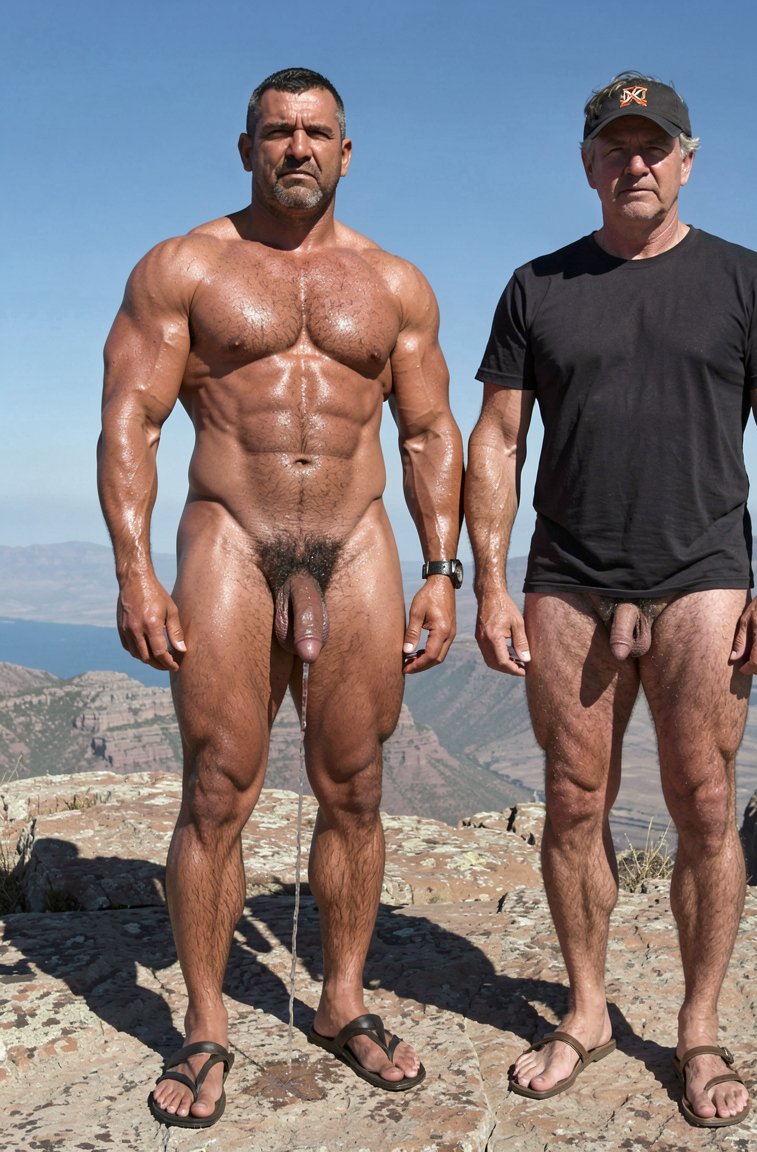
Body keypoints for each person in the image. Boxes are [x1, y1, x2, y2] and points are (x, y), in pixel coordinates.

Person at [98, 67, 463, 1128]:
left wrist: (442, 568)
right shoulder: (184, 267)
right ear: (247, 146)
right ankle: (205, 1026)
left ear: (347, 152)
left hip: (355, 542)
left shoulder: (394, 283)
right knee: (219, 786)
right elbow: (132, 419)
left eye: (317, 133)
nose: (296, 148)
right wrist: (133, 567)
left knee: (354, 784)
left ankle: (340, 1002)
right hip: (230, 535)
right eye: (277, 132)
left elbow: (427, 431)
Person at [465, 72, 757, 1127]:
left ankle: (697, 1029)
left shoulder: (745, 281)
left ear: (686, 157)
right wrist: (486, 578)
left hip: (701, 575)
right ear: (586, 163)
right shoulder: (537, 285)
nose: (634, 163)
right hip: (565, 576)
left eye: (652, 146)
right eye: (614, 148)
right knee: (572, 800)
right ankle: (583, 1011)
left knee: (703, 806)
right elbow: (495, 438)